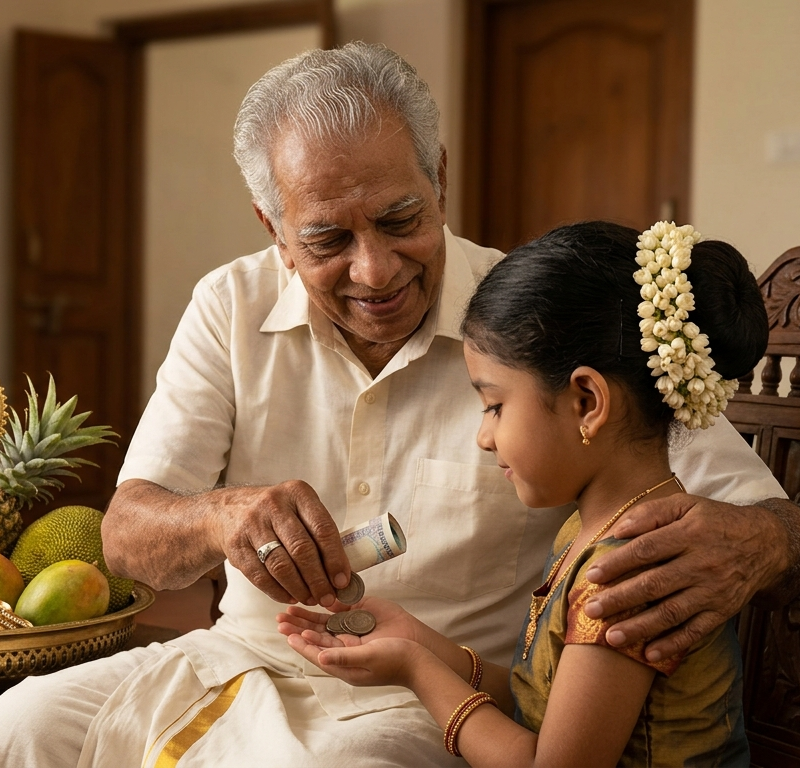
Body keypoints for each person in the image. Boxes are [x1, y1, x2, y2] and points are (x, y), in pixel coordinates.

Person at [0, 43, 800, 766]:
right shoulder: (228, 305)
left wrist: (760, 539)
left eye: (401, 218)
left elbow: (749, 508)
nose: (375, 271)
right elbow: (127, 537)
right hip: (241, 657)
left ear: (439, 179)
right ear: (273, 227)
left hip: (430, 694)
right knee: (19, 727)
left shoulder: (532, 328)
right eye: (327, 239)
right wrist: (221, 518)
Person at [280, 220, 762, 765]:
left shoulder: (632, 571)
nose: (484, 438)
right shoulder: (591, 528)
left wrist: (415, 672)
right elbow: (541, 711)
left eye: (494, 406)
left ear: (587, 402)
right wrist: (417, 641)